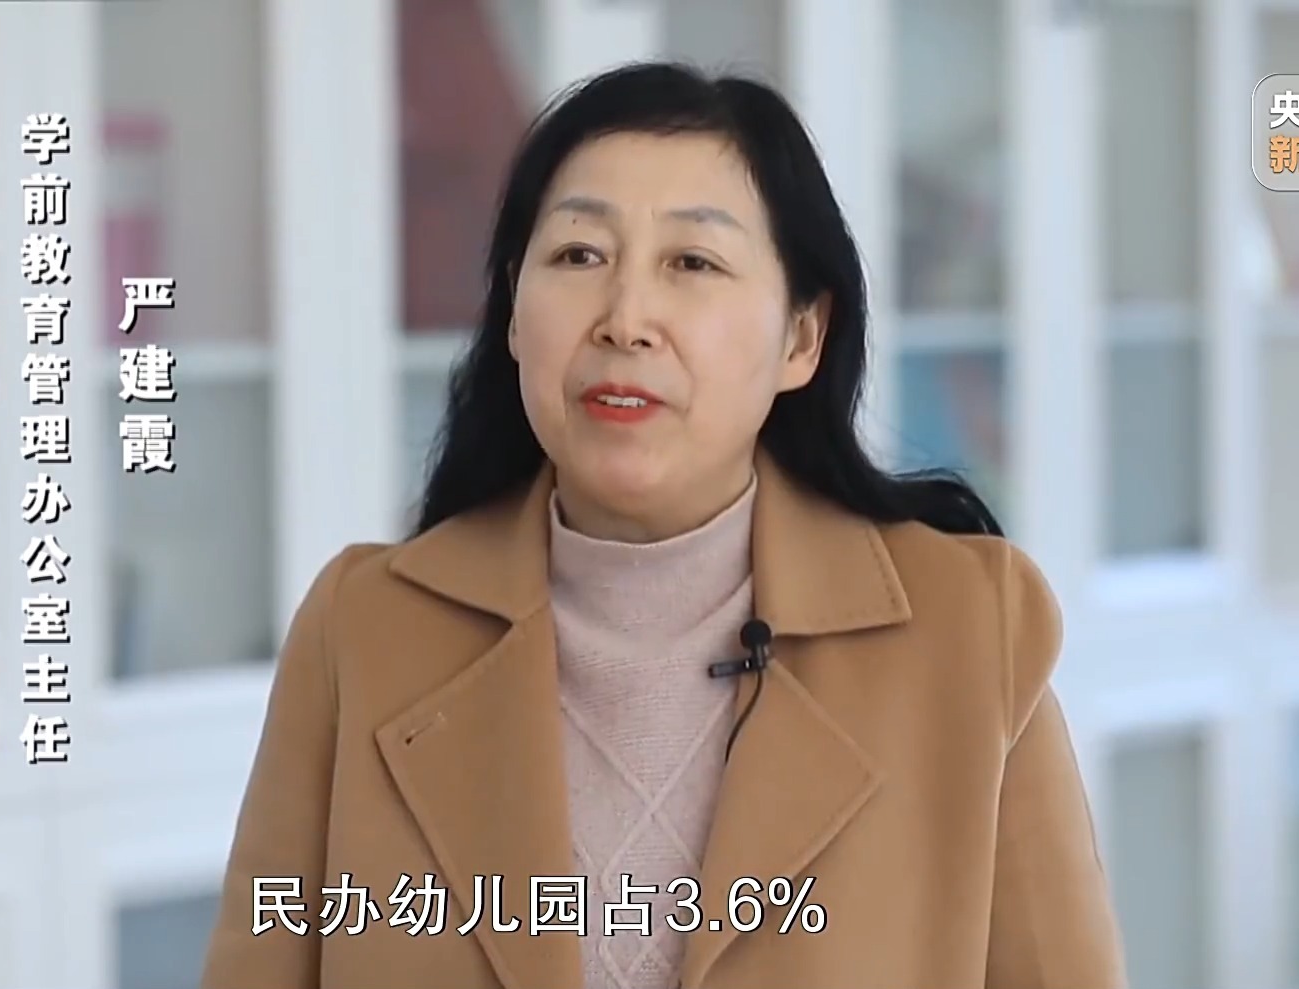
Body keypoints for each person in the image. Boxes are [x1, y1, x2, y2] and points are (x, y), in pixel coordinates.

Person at [200, 61, 1125, 989]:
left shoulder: (967, 629)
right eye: (579, 256)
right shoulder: (362, 629)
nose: (626, 319)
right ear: (514, 315)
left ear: (802, 337)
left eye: (692, 263)